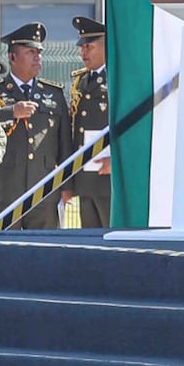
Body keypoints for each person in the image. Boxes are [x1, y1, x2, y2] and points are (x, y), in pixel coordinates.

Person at [0, 22, 70, 230]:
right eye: (30, 52)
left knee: (44, 253)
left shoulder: (53, 94)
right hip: (7, 189)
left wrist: (66, 185)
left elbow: (65, 143)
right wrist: (10, 112)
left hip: (44, 190)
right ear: (12, 57)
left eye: (39, 52)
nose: (37, 57)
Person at [62, 16, 111, 228]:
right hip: (85, 177)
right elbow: (75, 131)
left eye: (89, 47)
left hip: (108, 177)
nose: (83, 53)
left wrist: (117, 161)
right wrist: (70, 182)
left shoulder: (118, 79)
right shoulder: (81, 81)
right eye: (82, 47)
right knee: (91, 237)